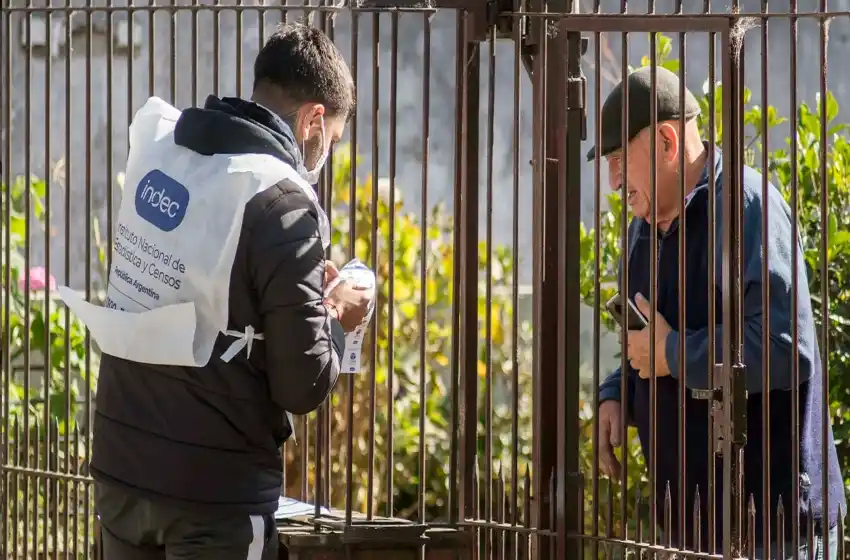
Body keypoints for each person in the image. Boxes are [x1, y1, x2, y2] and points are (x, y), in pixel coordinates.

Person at [89, 23, 371, 559]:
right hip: (213, 492)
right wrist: (337, 314)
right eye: (332, 140)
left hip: (122, 470)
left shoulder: (169, 150)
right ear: (314, 119)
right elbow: (302, 384)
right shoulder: (282, 200)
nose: (326, 154)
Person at [592, 67, 845, 558]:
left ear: (667, 142)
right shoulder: (645, 228)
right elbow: (655, 338)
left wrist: (671, 354)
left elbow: (785, 349)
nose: (615, 182)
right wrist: (618, 391)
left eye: (619, 160)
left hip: (773, 529)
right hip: (693, 528)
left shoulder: (747, 208)